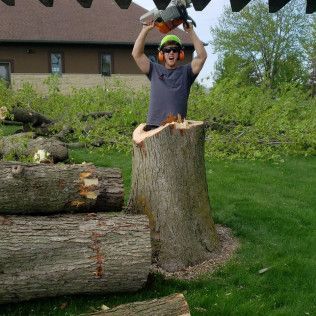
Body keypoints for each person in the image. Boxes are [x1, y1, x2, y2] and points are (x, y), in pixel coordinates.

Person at [132, 22, 207, 131]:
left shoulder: (186, 72)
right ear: (162, 54)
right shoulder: (154, 70)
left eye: (175, 50)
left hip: (177, 129)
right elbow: (136, 54)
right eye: (167, 50)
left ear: (180, 54)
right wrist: (145, 30)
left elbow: (202, 56)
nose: (171, 53)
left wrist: (190, 31)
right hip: (153, 129)